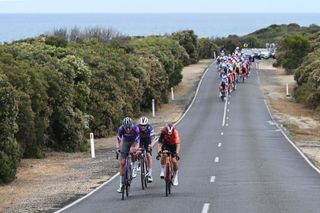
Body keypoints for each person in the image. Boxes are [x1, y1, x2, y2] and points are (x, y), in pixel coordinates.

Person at [115, 117, 140, 193]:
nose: (128, 129)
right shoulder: (121, 129)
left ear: (131, 126)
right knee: (122, 163)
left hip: (134, 141)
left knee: (132, 152)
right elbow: (118, 139)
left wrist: (135, 148)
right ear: (123, 126)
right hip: (125, 142)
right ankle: (121, 185)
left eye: (129, 128)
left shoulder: (136, 128)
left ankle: (135, 166)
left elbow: (138, 141)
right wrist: (117, 148)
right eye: (126, 128)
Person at [137, 116, 156, 182]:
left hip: (148, 141)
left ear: (147, 125)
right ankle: (139, 162)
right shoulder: (136, 128)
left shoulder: (150, 128)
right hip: (140, 140)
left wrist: (151, 146)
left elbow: (153, 139)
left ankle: (150, 175)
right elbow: (134, 139)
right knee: (139, 152)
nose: (143, 127)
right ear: (139, 125)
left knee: (148, 155)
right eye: (141, 125)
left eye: (144, 125)